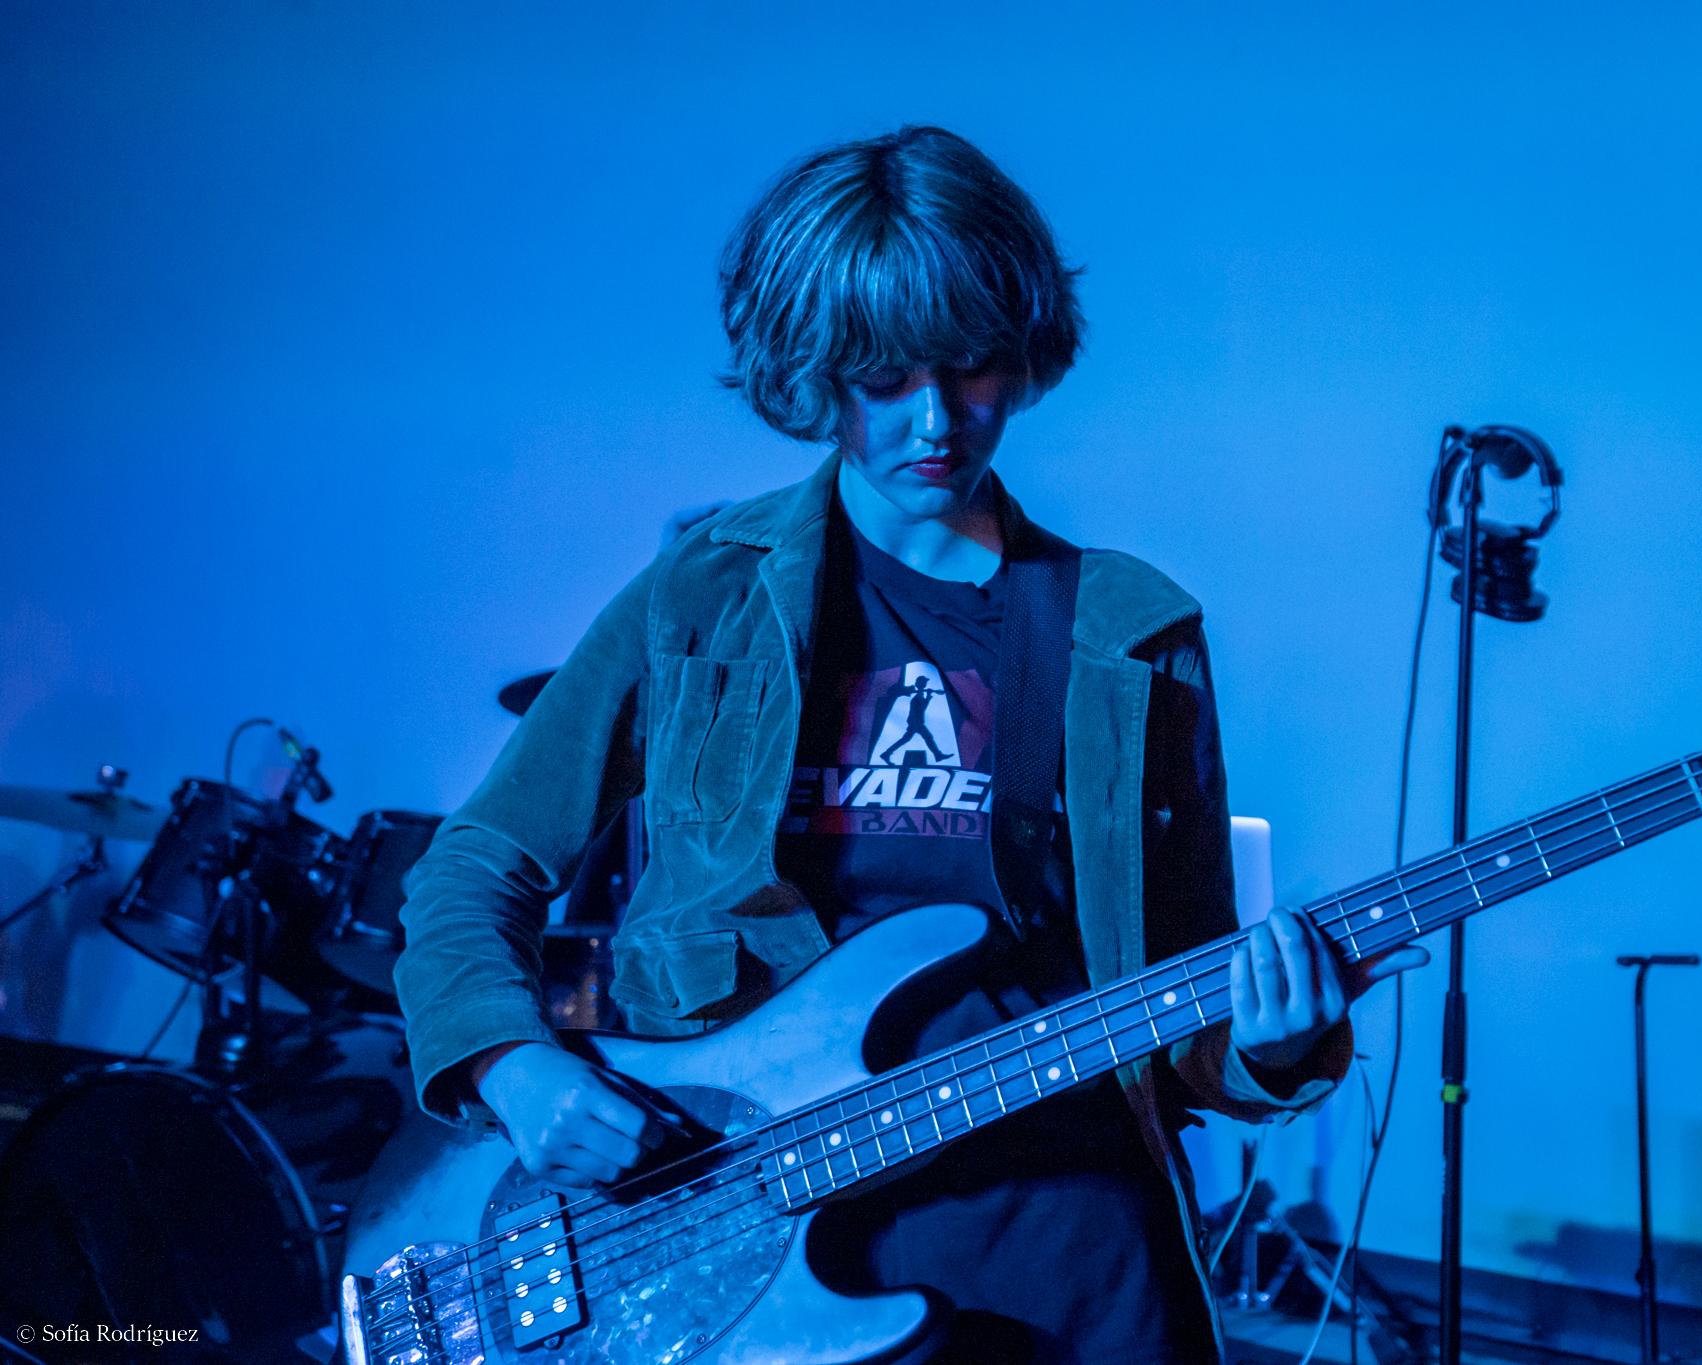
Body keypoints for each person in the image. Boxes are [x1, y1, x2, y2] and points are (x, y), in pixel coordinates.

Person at [394, 124, 1424, 1365]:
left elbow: (1190, 1010)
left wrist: (1273, 1041)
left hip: (1056, 1224)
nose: (935, 420)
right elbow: (475, 864)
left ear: (1023, 354)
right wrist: (511, 1065)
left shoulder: (1130, 633)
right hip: (731, 1220)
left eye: (973, 366)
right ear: (813, 372)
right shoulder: (701, 594)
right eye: (883, 378)